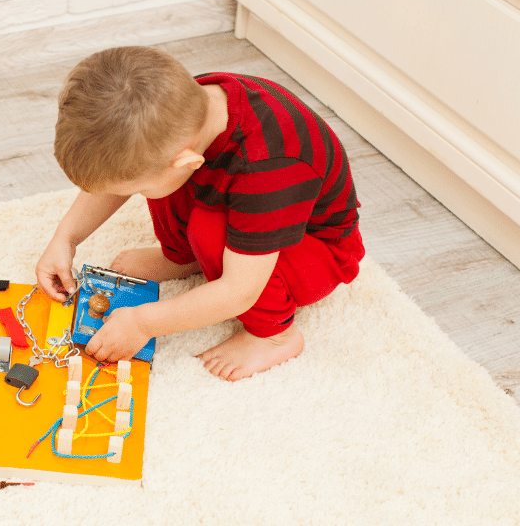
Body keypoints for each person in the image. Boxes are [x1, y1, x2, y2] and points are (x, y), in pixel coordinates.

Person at [35, 46, 365, 381]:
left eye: (132, 190)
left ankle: (276, 336)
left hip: (316, 250)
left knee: (208, 228)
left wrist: (142, 322)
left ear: (187, 161)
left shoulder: (267, 167)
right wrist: (66, 238)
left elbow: (240, 291)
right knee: (163, 183)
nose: (127, 195)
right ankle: (183, 258)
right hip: (249, 203)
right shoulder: (182, 109)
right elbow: (121, 171)